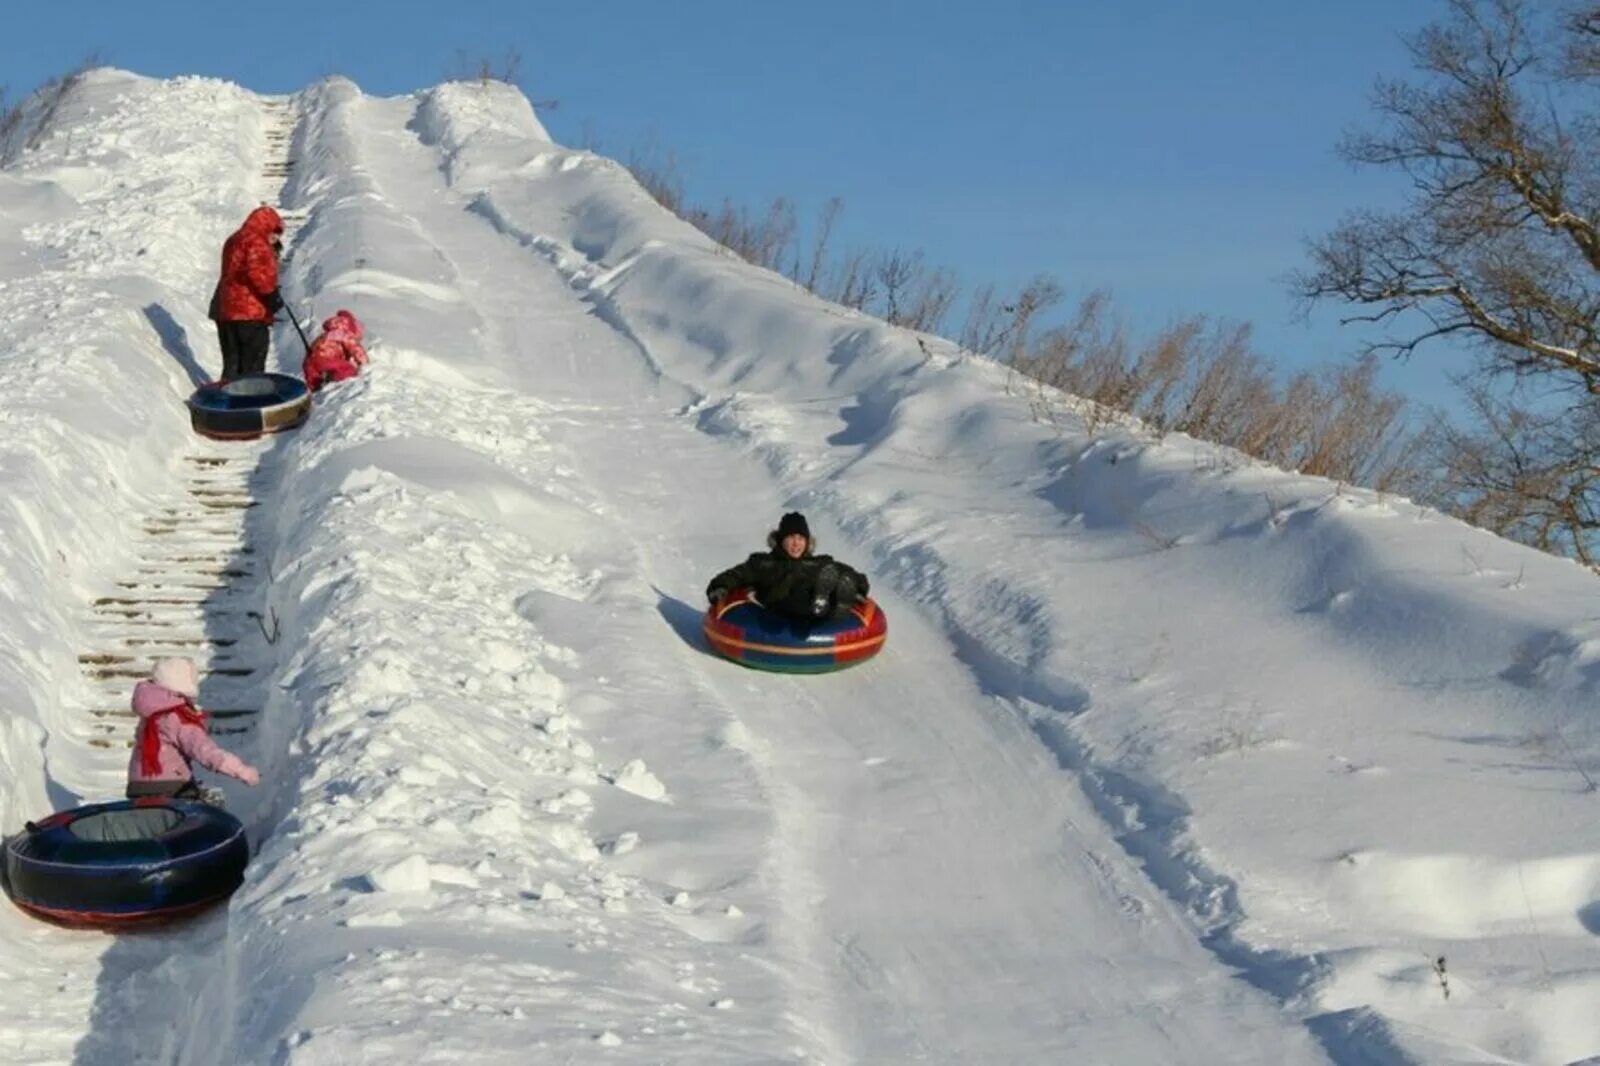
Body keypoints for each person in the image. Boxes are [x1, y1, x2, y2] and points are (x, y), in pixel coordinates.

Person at [126, 657, 259, 805]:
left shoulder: (152, 714)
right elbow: (204, 750)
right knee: (210, 804)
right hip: (170, 786)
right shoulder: (177, 717)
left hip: (137, 784)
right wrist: (241, 770)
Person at [706, 512, 870, 621]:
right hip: (783, 606)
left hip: (814, 605)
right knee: (799, 591)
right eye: (791, 537)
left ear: (807, 542)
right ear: (780, 539)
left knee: (832, 576)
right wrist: (720, 588)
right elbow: (736, 575)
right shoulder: (763, 563)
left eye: (801, 538)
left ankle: (834, 602)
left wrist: (859, 587)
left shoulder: (819, 563)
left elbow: (849, 573)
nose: (796, 543)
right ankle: (822, 602)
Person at [209, 205, 285, 381]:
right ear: (267, 226)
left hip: (225, 309)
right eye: (276, 231)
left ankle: (227, 402)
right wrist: (272, 296)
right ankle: (250, 403)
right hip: (250, 312)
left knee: (232, 364)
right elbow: (257, 274)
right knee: (252, 366)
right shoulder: (257, 242)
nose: (276, 237)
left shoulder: (234, 239)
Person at [302, 309, 369, 393]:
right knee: (348, 369)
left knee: (314, 381)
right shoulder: (344, 333)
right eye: (358, 338)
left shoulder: (324, 336)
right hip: (326, 358)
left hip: (310, 361)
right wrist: (365, 364)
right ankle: (332, 379)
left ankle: (316, 390)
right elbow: (356, 349)